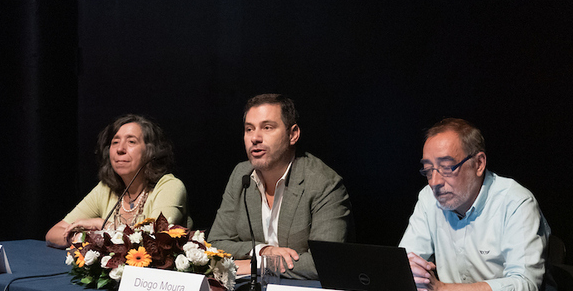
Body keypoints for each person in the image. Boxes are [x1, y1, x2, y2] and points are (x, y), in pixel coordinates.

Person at [398, 118, 554, 291]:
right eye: (429, 170)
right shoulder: (428, 199)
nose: (434, 182)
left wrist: (442, 290)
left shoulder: (515, 201)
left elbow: (525, 287)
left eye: (447, 168)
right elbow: (403, 265)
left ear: (479, 164)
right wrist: (409, 273)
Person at [207, 94, 351, 280]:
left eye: (267, 128)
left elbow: (325, 261)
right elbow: (215, 243)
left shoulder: (323, 183)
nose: (255, 138)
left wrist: (256, 265)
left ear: (293, 134)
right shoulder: (241, 175)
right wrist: (263, 251)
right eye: (249, 129)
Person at [46, 114, 191, 248]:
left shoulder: (169, 187)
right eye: (115, 142)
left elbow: (153, 240)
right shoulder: (106, 189)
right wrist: (84, 238)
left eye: (131, 142)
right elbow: (54, 233)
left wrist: (103, 226)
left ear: (151, 152)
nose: (120, 149)